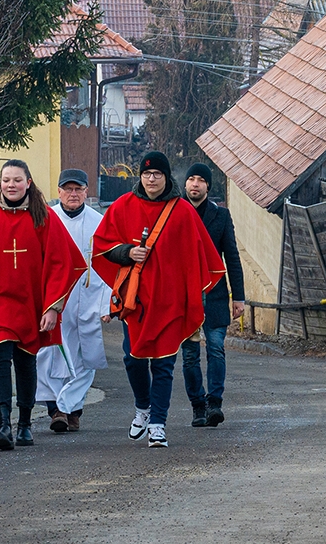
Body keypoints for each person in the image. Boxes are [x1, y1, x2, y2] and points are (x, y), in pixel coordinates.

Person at [0, 160, 85, 451]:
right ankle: (3, 424)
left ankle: (24, 424)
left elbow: (61, 263)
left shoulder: (43, 216)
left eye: (17, 180)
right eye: (6, 179)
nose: (11, 185)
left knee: (25, 362)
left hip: (29, 305)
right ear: (0, 182)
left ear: (28, 182)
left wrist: (52, 307)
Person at [92, 151, 224, 448]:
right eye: (147, 174)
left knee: (164, 363)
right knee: (132, 359)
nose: (151, 179)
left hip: (170, 301)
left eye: (157, 174)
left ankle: (158, 424)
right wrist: (127, 252)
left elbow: (200, 254)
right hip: (135, 300)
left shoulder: (183, 211)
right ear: (140, 176)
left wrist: (193, 295)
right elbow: (102, 246)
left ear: (166, 177)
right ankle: (143, 407)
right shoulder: (122, 206)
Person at [35, 169, 111, 433]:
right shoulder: (46, 219)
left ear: (86, 191)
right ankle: (56, 409)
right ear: (59, 192)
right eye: (68, 189)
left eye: (78, 189)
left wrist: (107, 304)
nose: (73, 194)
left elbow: (108, 265)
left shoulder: (99, 222)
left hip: (88, 296)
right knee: (51, 354)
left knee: (85, 356)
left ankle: (71, 409)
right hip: (55, 298)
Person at [180, 163, 244, 427]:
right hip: (184, 295)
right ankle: (197, 406)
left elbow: (232, 256)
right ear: (185, 184)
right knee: (190, 354)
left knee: (216, 349)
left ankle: (214, 403)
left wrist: (238, 297)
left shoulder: (221, 216)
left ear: (208, 186)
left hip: (215, 293)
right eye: (191, 179)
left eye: (200, 180)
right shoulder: (174, 212)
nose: (195, 184)